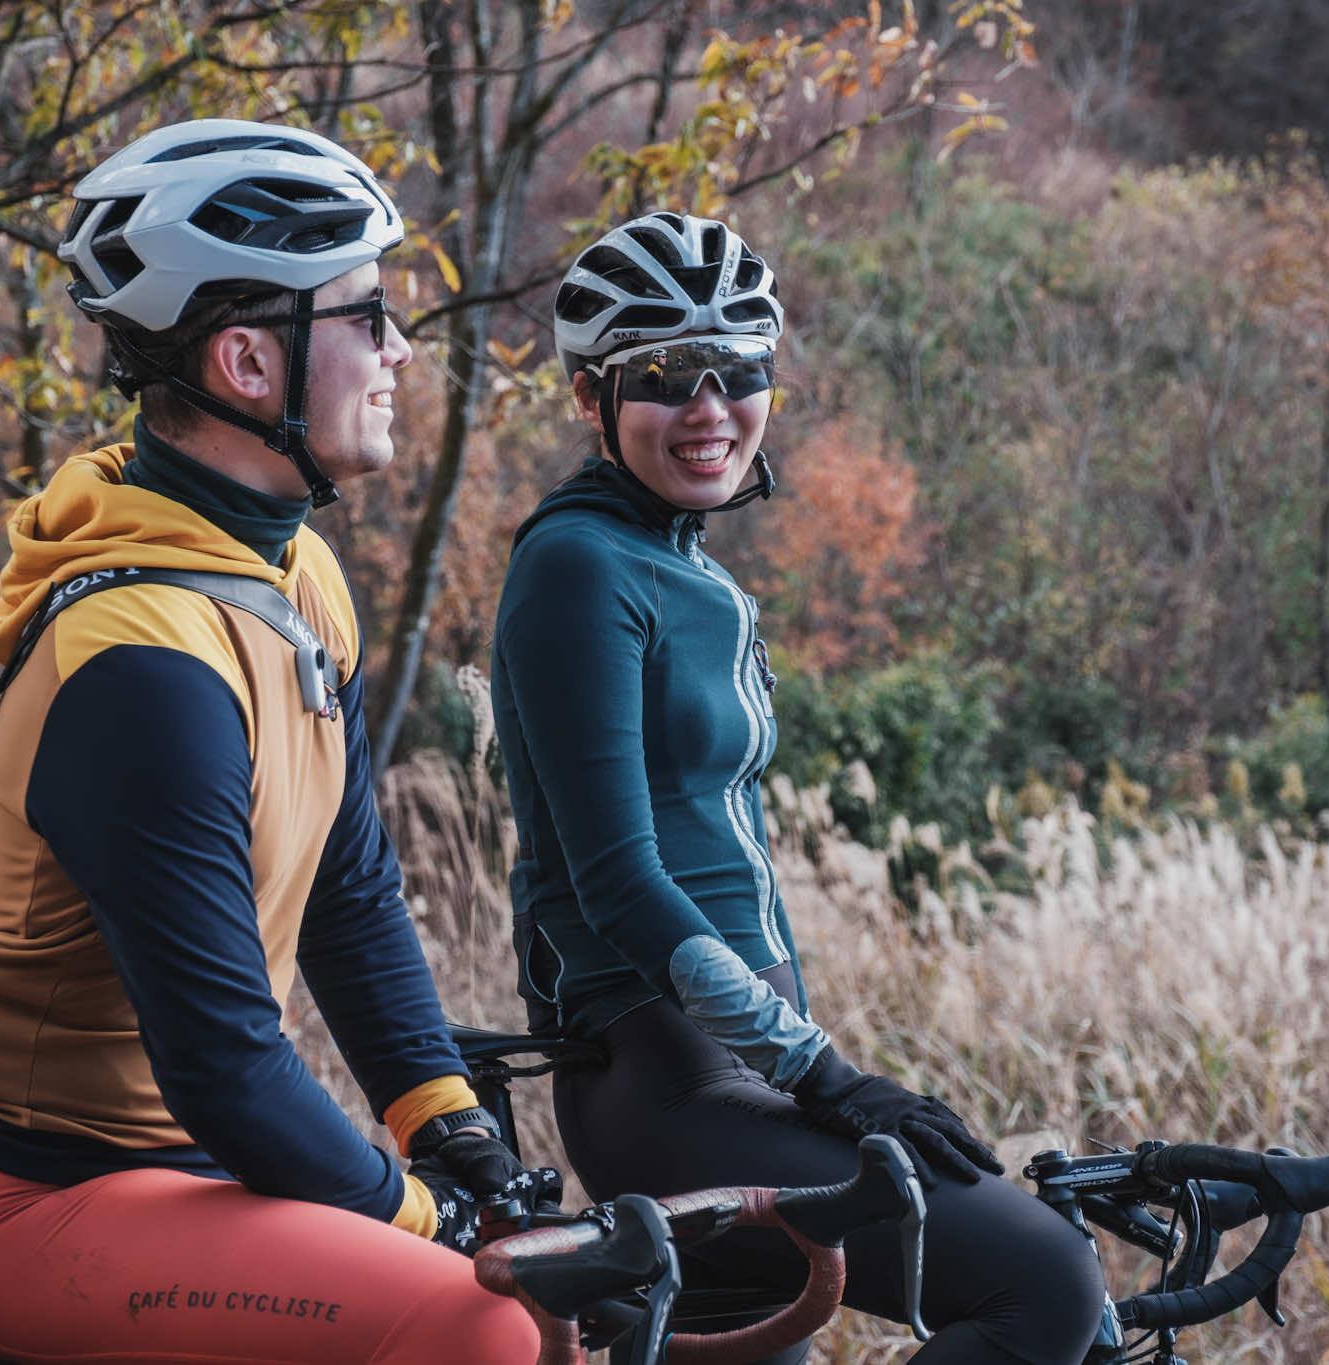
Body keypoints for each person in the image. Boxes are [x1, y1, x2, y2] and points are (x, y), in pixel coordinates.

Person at [0, 119, 540, 1365]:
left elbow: (349, 894)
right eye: (364, 314)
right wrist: (425, 1219)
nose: (398, 347)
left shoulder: (293, 577)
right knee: (479, 1328)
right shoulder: (142, 662)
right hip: (50, 1204)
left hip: (191, 1174)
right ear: (247, 361)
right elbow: (228, 1063)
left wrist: (447, 1129)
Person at [489, 212, 1107, 1364]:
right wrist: (827, 1077)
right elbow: (618, 881)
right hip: (670, 1087)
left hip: (738, 1068)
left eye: (740, 370)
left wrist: (802, 1067)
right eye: (667, 377)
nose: (710, 408)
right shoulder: (578, 564)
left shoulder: (677, 558)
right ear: (589, 396)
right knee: (1044, 1282)